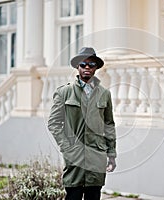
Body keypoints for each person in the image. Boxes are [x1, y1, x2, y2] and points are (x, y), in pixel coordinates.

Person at [47, 47, 117, 200]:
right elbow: (53, 123)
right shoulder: (64, 92)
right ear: (77, 67)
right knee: (73, 195)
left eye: (91, 65)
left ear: (96, 68)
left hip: (97, 157)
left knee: (94, 196)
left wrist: (111, 154)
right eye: (83, 64)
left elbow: (109, 125)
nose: (87, 68)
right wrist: (67, 147)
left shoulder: (105, 94)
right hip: (74, 158)